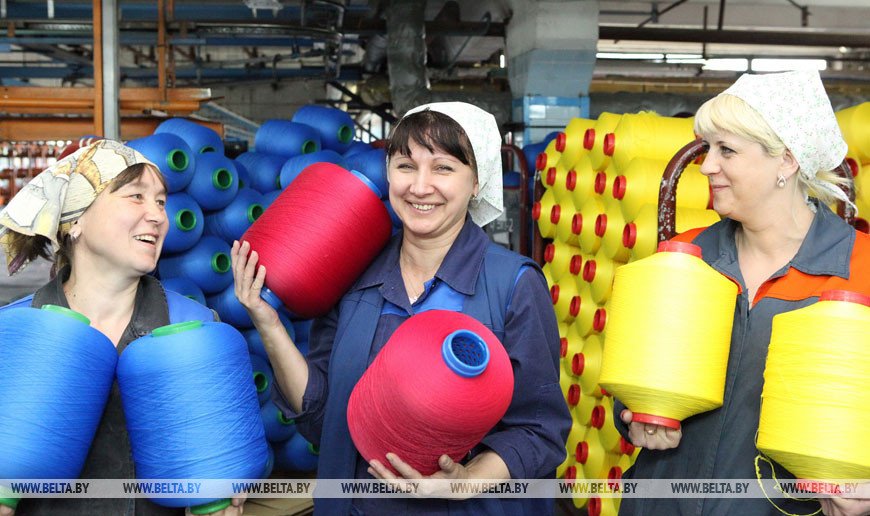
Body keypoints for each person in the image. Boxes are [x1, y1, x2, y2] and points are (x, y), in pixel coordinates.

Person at [232, 102, 572, 515]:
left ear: (477, 182)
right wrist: (268, 323)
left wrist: (468, 480)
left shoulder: (513, 285)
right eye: (406, 165)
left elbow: (541, 430)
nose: (420, 186)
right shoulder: (356, 274)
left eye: (444, 168)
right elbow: (323, 421)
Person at [613, 71, 870, 516]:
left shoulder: (860, 269)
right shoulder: (686, 257)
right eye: (708, 148)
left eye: (726, 150)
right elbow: (639, 375)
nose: (707, 165)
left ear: (786, 161)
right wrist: (633, 416)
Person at [0, 140, 242, 516]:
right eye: (136, 197)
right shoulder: (18, 334)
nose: (158, 216)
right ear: (76, 219)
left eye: (160, 202)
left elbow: (210, 483)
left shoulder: (193, 331)